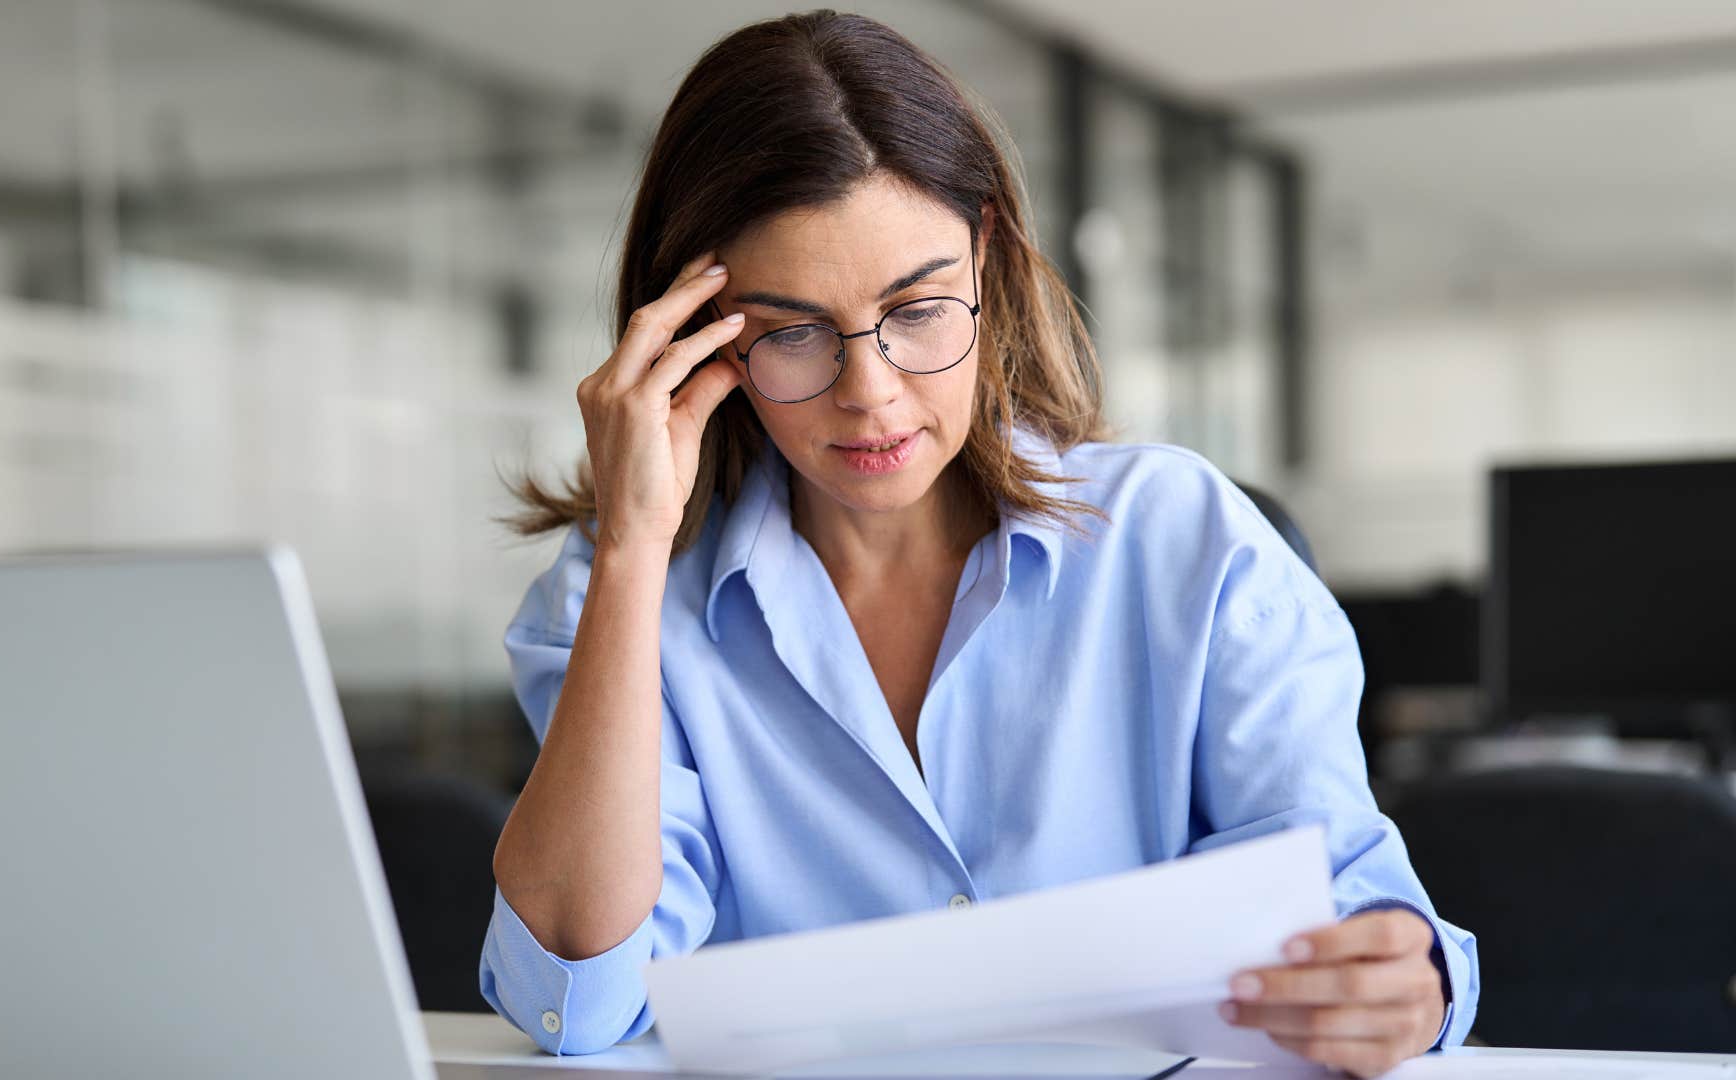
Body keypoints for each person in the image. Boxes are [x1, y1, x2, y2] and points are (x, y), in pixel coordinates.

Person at [482, 10, 1478, 1078]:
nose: (871, 396)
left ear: (986, 262)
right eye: (790, 332)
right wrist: (635, 547)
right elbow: (579, 991)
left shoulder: (1185, 543)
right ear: (692, 339)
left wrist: (1403, 976)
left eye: (915, 309)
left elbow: (1348, 894)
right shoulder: (617, 596)